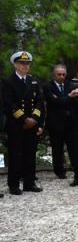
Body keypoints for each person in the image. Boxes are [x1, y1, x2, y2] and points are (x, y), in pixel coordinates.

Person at [2, 51, 44, 195]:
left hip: (31, 124)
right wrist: (24, 119)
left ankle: (29, 182)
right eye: (22, 64)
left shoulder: (33, 81)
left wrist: (34, 120)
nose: (25, 66)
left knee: (30, 154)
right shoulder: (8, 82)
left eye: (27, 64)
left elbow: (39, 102)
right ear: (15, 65)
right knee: (16, 154)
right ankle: (13, 185)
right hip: (16, 125)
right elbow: (8, 104)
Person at [43, 64, 72, 179]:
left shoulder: (69, 85)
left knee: (72, 146)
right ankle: (59, 170)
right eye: (59, 74)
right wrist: (68, 97)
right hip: (55, 122)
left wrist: (61, 99)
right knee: (57, 148)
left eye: (63, 74)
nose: (61, 76)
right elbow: (54, 102)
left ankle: (77, 168)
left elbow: (64, 102)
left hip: (69, 121)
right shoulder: (47, 86)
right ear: (54, 75)